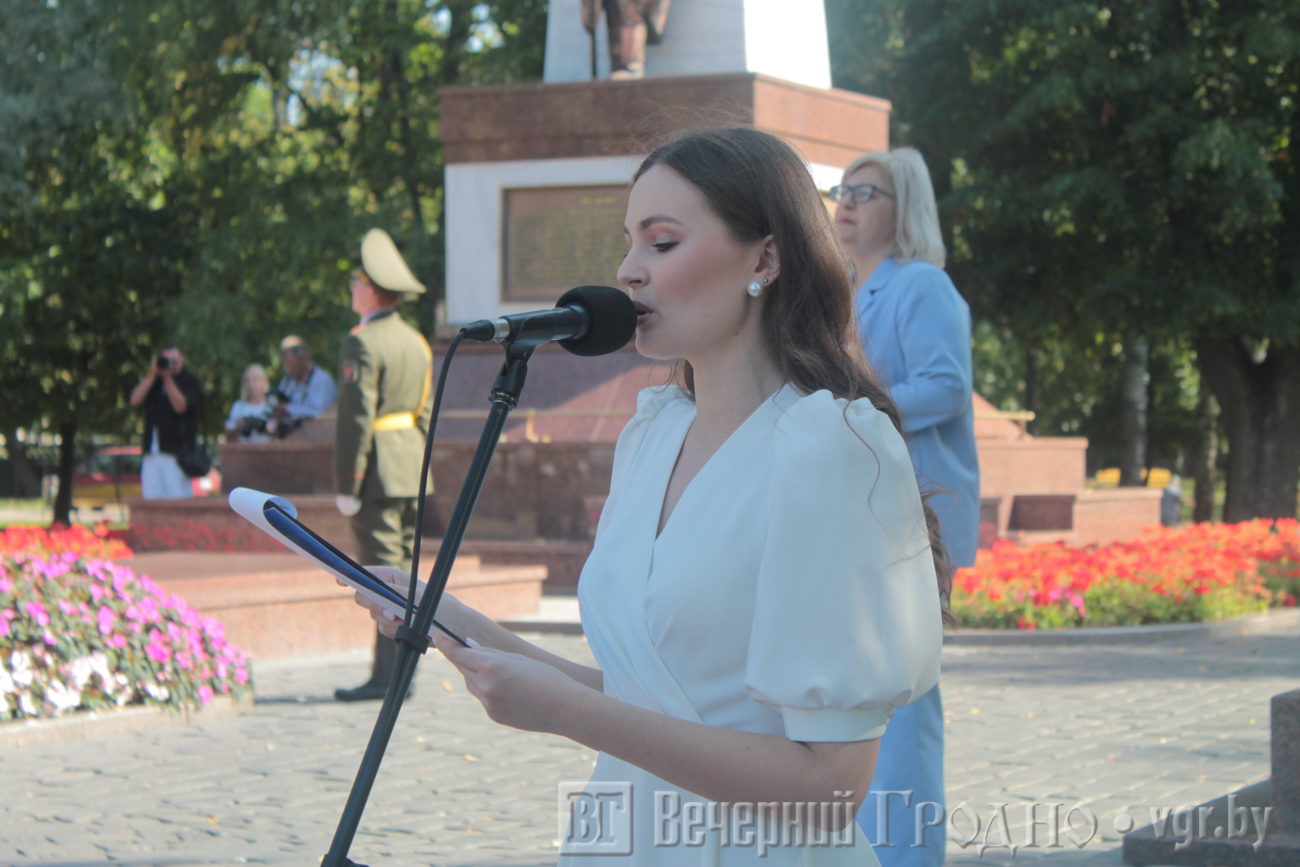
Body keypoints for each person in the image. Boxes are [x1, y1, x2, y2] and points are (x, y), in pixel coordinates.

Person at [350, 127, 950, 865]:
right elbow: (650, 693)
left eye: (662, 242)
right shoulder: (653, 433)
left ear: (764, 258)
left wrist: (572, 715)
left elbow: (831, 790)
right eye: (628, 242)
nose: (628, 270)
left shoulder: (831, 448)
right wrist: (447, 617)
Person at [832, 147, 980, 866]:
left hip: (911, 513)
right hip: (859, 509)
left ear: (905, 209)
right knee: (867, 692)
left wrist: (855, 408)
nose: (847, 201)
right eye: (843, 189)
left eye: (867, 192)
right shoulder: (847, 290)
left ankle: (911, 855)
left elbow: (946, 386)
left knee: (906, 698)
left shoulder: (921, 284)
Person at [333, 229, 434, 703]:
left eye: (356, 282)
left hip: (375, 474)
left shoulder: (362, 343)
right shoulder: (417, 342)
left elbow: (356, 418)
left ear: (371, 291)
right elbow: (425, 414)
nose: (353, 289)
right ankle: (401, 672)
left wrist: (347, 483)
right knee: (404, 577)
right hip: (410, 470)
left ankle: (389, 678)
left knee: (382, 580)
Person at [129, 344, 204, 500]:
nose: (170, 364)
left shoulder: (190, 381)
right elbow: (135, 400)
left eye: (174, 360)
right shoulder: (154, 382)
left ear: (182, 360)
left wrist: (167, 378)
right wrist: (152, 375)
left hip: (178, 454)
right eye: (166, 360)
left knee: (177, 501)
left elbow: (180, 406)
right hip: (152, 452)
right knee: (151, 499)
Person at [272, 336, 337, 434]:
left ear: (304, 358)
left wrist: (288, 408)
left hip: (319, 436)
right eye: (286, 365)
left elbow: (321, 414)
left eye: (292, 365)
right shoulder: (287, 382)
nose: (289, 370)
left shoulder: (322, 380)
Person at [225, 364, 275, 444]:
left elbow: (280, 436)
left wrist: (266, 428)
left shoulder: (271, 406)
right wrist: (239, 426)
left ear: (264, 382)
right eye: (248, 381)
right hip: (244, 450)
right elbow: (228, 437)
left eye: (255, 380)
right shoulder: (238, 406)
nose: (251, 385)